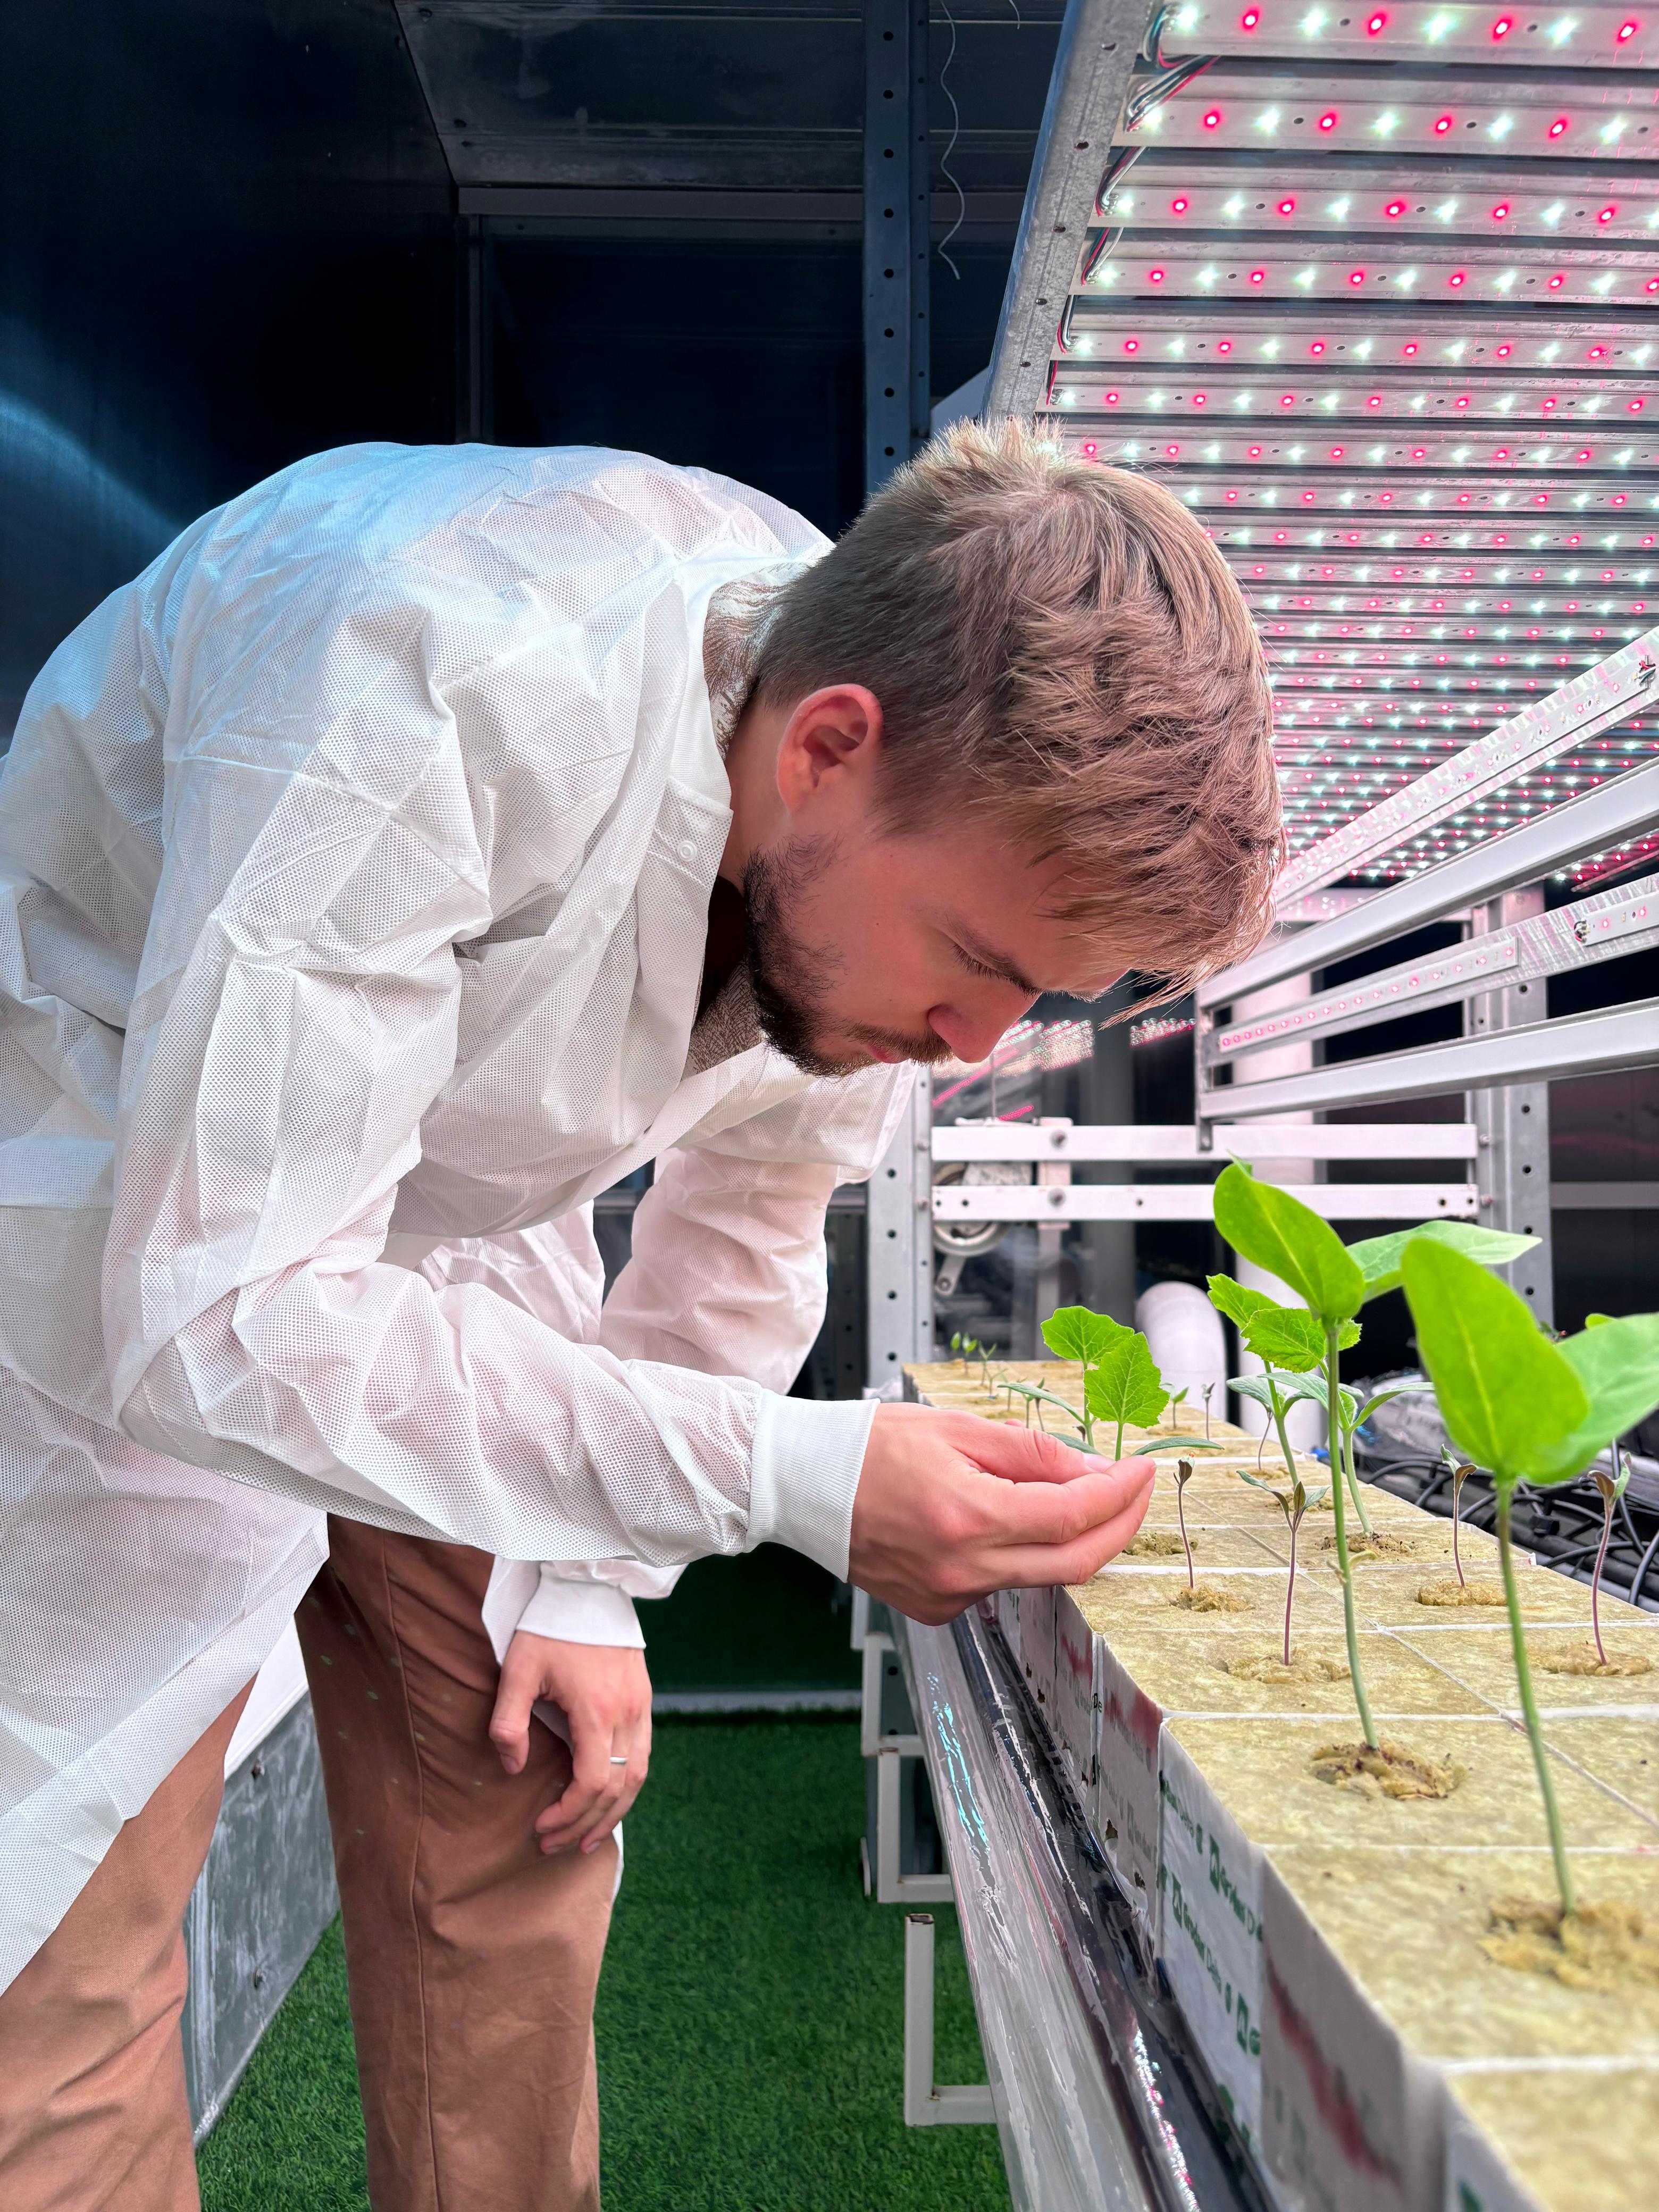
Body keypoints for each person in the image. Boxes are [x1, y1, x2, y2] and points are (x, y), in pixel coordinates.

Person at [0, 418, 1280, 2210]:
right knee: (64, 1955)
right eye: (984, 968)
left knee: (524, 1802)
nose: (974, 1049)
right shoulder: (431, 667)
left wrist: (589, 1580)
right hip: (117, 1207)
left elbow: (747, 1234)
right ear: (832, 748)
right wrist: (786, 1479)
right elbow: (223, 1316)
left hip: (457, 1222)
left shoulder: (859, 839)